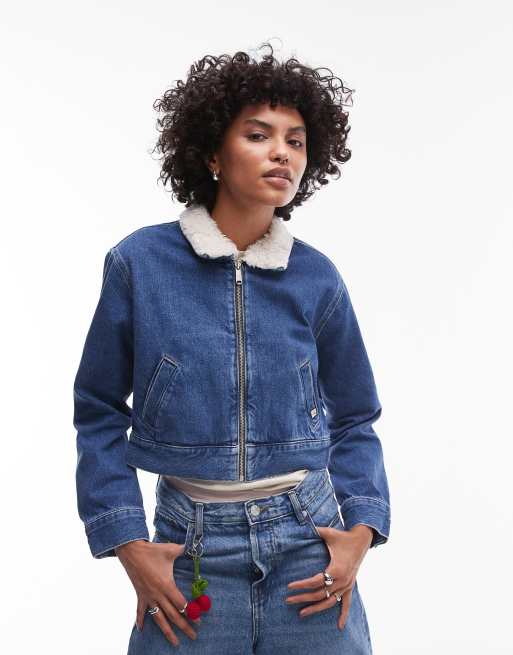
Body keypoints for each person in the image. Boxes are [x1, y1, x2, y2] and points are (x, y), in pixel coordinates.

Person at [72, 42, 391, 654]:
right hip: (188, 552)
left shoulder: (316, 277)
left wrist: (361, 530)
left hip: (309, 549)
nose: (282, 152)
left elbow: (356, 416)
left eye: (296, 141)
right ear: (213, 154)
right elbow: (97, 408)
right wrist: (127, 541)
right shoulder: (141, 264)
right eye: (258, 135)